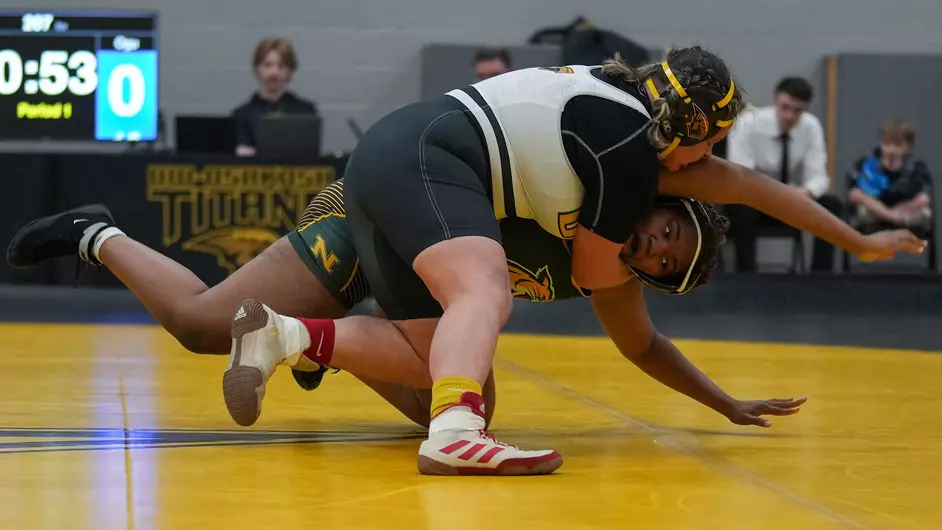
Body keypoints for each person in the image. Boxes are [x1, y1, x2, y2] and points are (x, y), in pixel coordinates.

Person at [224, 46, 923, 477]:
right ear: (684, 131)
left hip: (414, 164)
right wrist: (625, 286)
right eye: (706, 145)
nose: (706, 163)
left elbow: (756, 191)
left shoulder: (638, 133)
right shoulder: (624, 157)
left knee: (429, 359)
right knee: (486, 296)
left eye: (662, 260)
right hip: (424, 160)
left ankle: (286, 336)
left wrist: (859, 243)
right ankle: (456, 437)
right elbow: (595, 279)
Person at [8, 181, 809, 473]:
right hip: (373, 223)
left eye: (667, 261)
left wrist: (725, 404)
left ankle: (330, 340)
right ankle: (95, 232)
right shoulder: (588, 193)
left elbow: (645, 347)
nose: (655, 249)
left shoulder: (611, 273)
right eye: (666, 230)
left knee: (452, 408)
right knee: (197, 324)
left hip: (413, 282)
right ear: (656, 203)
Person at [724, 77, 845, 272]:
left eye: (798, 111)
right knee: (739, 207)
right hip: (756, 200)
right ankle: (745, 277)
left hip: (793, 201)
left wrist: (805, 193)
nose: (789, 116)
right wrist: (776, 193)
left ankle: (821, 277)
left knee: (832, 204)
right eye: (785, 107)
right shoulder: (747, 123)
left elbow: (819, 177)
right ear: (775, 100)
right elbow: (740, 174)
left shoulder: (810, 127)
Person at [232, 36, 319, 157]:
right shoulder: (241, 116)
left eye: (281, 66)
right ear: (257, 68)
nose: (274, 72)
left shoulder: (306, 111)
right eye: (268, 65)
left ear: (290, 71)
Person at [848, 119, 933, 236]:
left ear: (909, 147)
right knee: (862, 212)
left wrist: (899, 212)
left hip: (905, 213)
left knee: (925, 213)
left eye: (898, 145)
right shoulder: (867, 165)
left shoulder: (917, 168)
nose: (892, 150)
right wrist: (889, 215)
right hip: (875, 213)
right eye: (887, 144)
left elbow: (923, 198)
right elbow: (855, 194)